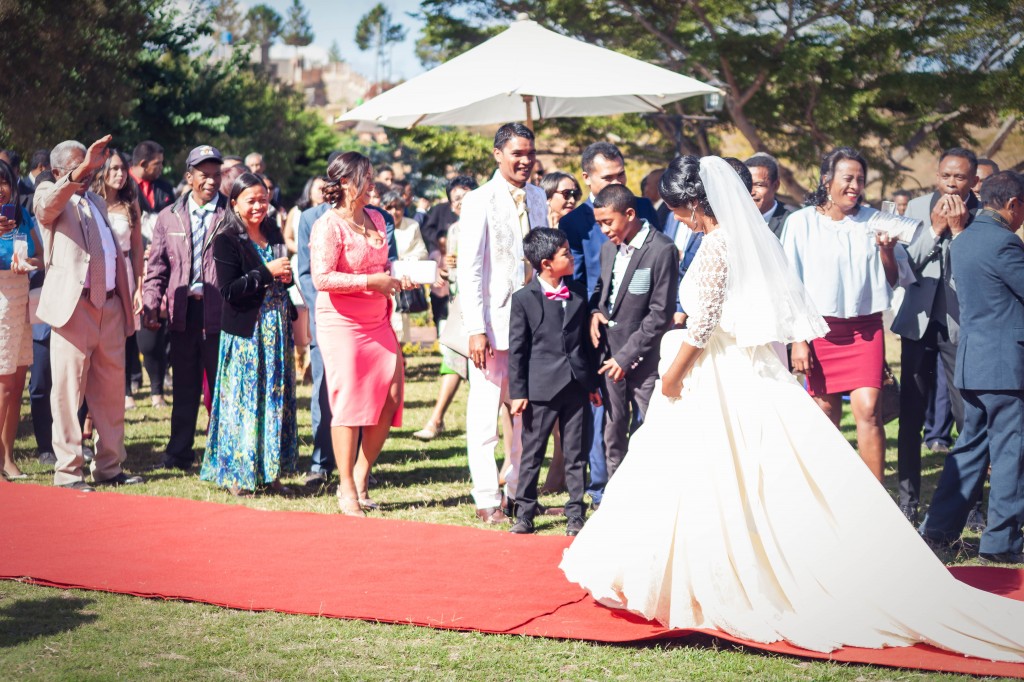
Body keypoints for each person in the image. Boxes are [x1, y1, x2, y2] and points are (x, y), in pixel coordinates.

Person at [560, 155, 1024, 663]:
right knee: (742, 475)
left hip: (717, 374)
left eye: (679, 209)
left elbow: (703, 326)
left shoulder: (717, 245)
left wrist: (670, 378)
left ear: (693, 202)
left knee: (713, 474)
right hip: (744, 367)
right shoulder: (747, 237)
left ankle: (726, 577)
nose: (681, 218)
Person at [783, 147, 911, 482]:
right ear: (827, 179)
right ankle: (828, 495)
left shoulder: (877, 219)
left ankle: (877, 501)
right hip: (819, 331)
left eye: (860, 180)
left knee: (869, 410)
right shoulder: (800, 222)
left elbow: (893, 279)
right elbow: (790, 285)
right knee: (825, 414)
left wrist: (886, 248)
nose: (855, 185)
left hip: (865, 330)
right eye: (848, 178)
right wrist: (799, 341)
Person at [920, 171, 1024, 565]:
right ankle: (1000, 543)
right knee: (1010, 452)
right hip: (1004, 366)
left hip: (973, 361)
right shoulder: (1004, 243)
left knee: (968, 450)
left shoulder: (962, 240)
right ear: (1013, 203)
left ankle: (939, 529)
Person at [34, 136, 141, 491]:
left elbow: (113, 254)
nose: (88, 172)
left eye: (89, 165)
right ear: (57, 170)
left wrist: (125, 307)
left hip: (108, 307)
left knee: (110, 394)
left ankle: (110, 468)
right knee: (67, 394)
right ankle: (68, 473)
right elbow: (48, 206)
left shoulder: (94, 200)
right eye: (79, 166)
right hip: (73, 309)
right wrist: (79, 171)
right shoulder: (48, 195)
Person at [310, 151, 413, 515]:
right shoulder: (328, 226)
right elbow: (322, 278)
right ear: (345, 184)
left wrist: (402, 277)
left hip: (377, 318)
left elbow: (385, 266)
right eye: (366, 178)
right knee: (350, 404)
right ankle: (346, 487)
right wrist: (372, 280)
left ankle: (362, 473)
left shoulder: (377, 220)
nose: (373, 184)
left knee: (392, 394)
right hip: (342, 323)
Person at [560, 141, 660, 510]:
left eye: (622, 174)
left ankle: (646, 478)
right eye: (608, 177)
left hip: (647, 327)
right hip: (598, 331)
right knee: (606, 414)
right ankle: (603, 488)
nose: (619, 181)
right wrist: (591, 316)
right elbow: (577, 280)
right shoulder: (573, 222)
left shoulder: (647, 209)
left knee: (648, 408)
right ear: (587, 178)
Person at [457, 122, 549, 524]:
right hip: (493, 326)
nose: (525, 160)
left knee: (525, 412)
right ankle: (486, 497)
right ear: (498, 154)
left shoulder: (539, 196)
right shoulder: (479, 200)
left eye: (530, 153)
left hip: (534, 322)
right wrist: (476, 327)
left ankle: (517, 491)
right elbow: (470, 270)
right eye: (517, 153)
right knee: (485, 413)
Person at [891, 147, 979, 523]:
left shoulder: (983, 213)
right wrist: (935, 230)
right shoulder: (915, 210)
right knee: (911, 416)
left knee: (968, 417)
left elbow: (975, 271)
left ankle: (970, 503)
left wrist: (958, 232)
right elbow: (905, 265)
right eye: (946, 176)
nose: (951, 184)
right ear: (936, 175)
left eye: (959, 178)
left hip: (961, 327)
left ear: (973, 180)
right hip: (918, 323)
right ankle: (908, 499)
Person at [200, 173, 297, 495]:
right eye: (251, 200)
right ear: (234, 204)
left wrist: (285, 277)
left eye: (263, 199)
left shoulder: (271, 229)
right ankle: (238, 474)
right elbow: (228, 290)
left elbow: (281, 273)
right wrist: (265, 272)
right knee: (244, 404)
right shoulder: (226, 238)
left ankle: (270, 471)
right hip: (247, 334)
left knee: (272, 400)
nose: (258, 206)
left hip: (276, 330)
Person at [508, 228, 600, 535]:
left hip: (575, 386)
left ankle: (576, 512)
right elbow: (518, 348)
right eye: (565, 254)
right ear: (547, 263)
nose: (571, 258)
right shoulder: (523, 299)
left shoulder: (577, 295)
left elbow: (585, 346)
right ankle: (524, 512)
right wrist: (518, 391)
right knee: (533, 452)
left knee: (576, 454)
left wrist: (592, 385)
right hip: (541, 389)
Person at [143, 145, 228, 471]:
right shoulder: (169, 217)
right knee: (184, 387)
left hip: (218, 314)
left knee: (220, 388)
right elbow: (157, 268)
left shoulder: (229, 214)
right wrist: (151, 303)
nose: (211, 181)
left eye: (216, 175)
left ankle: (221, 452)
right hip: (182, 313)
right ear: (189, 177)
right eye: (204, 175)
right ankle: (179, 452)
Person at [589, 184, 679, 488]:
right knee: (613, 430)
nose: (603, 230)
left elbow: (659, 314)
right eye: (598, 223)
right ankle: (616, 495)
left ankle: (657, 492)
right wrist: (594, 314)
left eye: (608, 222)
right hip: (608, 357)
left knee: (653, 427)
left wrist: (627, 357)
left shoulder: (662, 249)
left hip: (645, 358)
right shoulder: (607, 249)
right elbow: (602, 292)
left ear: (629, 213)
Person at [413, 179, 476, 441]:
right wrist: (447, 270)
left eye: (466, 197)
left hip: (482, 306)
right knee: (452, 357)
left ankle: (443, 421)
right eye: (456, 200)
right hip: (460, 303)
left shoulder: (490, 226)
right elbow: (453, 272)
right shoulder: (454, 231)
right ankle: (436, 419)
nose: (461, 203)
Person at [91, 150, 144, 409]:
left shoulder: (130, 202)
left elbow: (137, 249)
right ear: (101, 171)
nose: (119, 174)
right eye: (113, 168)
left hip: (124, 271)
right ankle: (90, 408)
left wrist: (139, 286)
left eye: (123, 169)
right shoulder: (89, 201)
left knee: (120, 338)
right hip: (95, 273)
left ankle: (120, 392)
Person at [0, 159, 42, 480]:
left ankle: (8, 457)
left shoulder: (22, 215)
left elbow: (41, 255)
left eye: (4, 182)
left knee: (16, 386)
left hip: (22, 301)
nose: (1, 189)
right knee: (2, 386)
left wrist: (29, 261)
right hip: (0, 303)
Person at [383, 189, 428, 345]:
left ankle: (400, 360)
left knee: (400, 325)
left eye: (398, 208)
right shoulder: (375, 225)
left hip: (404, 281)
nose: (394, 212)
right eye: (389, 207)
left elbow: (422, 250)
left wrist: (408, 260)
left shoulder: (412, 225)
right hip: (382, 281)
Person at [744, 153, 796, 239]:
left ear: (775, 185)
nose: (751, 192)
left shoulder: (792, 219)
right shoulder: (733, 219)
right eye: (747, 185)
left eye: (759, 185)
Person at [421, 176, 475, 253]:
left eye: (466, 196)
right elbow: (427, 229)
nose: (463, 201)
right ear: (452, 206)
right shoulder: (453, 229)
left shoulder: (489, 223)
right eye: (457, 199)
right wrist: (439, 239)